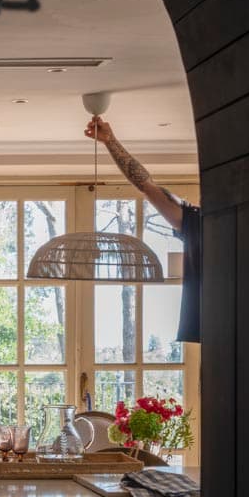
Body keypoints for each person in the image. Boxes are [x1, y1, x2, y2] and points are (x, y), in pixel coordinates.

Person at [85, 115, 201, 344]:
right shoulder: (198, 222)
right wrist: (110, 141)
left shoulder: (199, 223)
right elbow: (147, 186)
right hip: (217, 332)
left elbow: (147, 186)